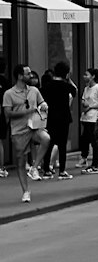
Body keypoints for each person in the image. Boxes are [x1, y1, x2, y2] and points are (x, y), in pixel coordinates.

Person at [3, 64, 49, 202]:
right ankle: (25, 191)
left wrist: (44, 106)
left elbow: (42, 102)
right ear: (20, 76)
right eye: (28, 74)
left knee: (46, 139)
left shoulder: (34, 90)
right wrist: (26, 112)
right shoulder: (9, 94)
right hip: (18, 130)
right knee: (20, 161)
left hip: (34, 127)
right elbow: (8, 113)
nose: (31, 76)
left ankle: (34, 168)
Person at [41, 60, 77, 179]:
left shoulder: (47, 86)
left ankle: (46, 169)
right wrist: (68, 79)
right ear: (66, 74)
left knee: (49, 143)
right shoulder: (66, 86)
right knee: (62, 145)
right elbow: (75, 90)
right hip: (64, 118)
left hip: (50, 118)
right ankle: (62, 171)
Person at [78, 67, 98, 173]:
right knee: (87, 139)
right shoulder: (86, 89)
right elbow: (84, 100)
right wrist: (85, 104)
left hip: (94, 117)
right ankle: (92, 164)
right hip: (86, 117)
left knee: (95, 142)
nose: (84, 77)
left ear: (93, 76)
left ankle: (96, 165)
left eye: (87, 74)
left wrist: (90, 107)